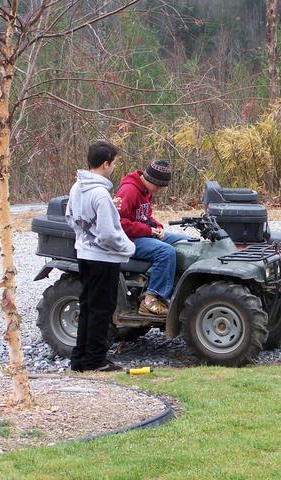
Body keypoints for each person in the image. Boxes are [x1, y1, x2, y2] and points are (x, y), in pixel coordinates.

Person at [65, 140, 135, 372]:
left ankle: (80, 359)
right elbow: (107, 234)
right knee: (102, 309)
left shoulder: (78, 187)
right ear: (106, 164)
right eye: (113, 162)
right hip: (103, 259)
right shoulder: (100, 194)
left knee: (87, 305)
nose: (114, 166)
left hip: (84, 254)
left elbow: (71, 217)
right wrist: (127, 248)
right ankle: (96, 360)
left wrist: (84, 236)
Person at [116, 159, 189, 316]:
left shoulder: (145, 190)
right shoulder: (130, 190)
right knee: (166, 251)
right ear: (151, 180)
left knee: (185, 242)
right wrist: (148, 231)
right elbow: (119, 223)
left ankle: (175, 289)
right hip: (127, 239)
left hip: (141, 233)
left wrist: (158, 228)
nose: (159, 190)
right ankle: (150, 298)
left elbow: (145, 217)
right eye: (159, 186)